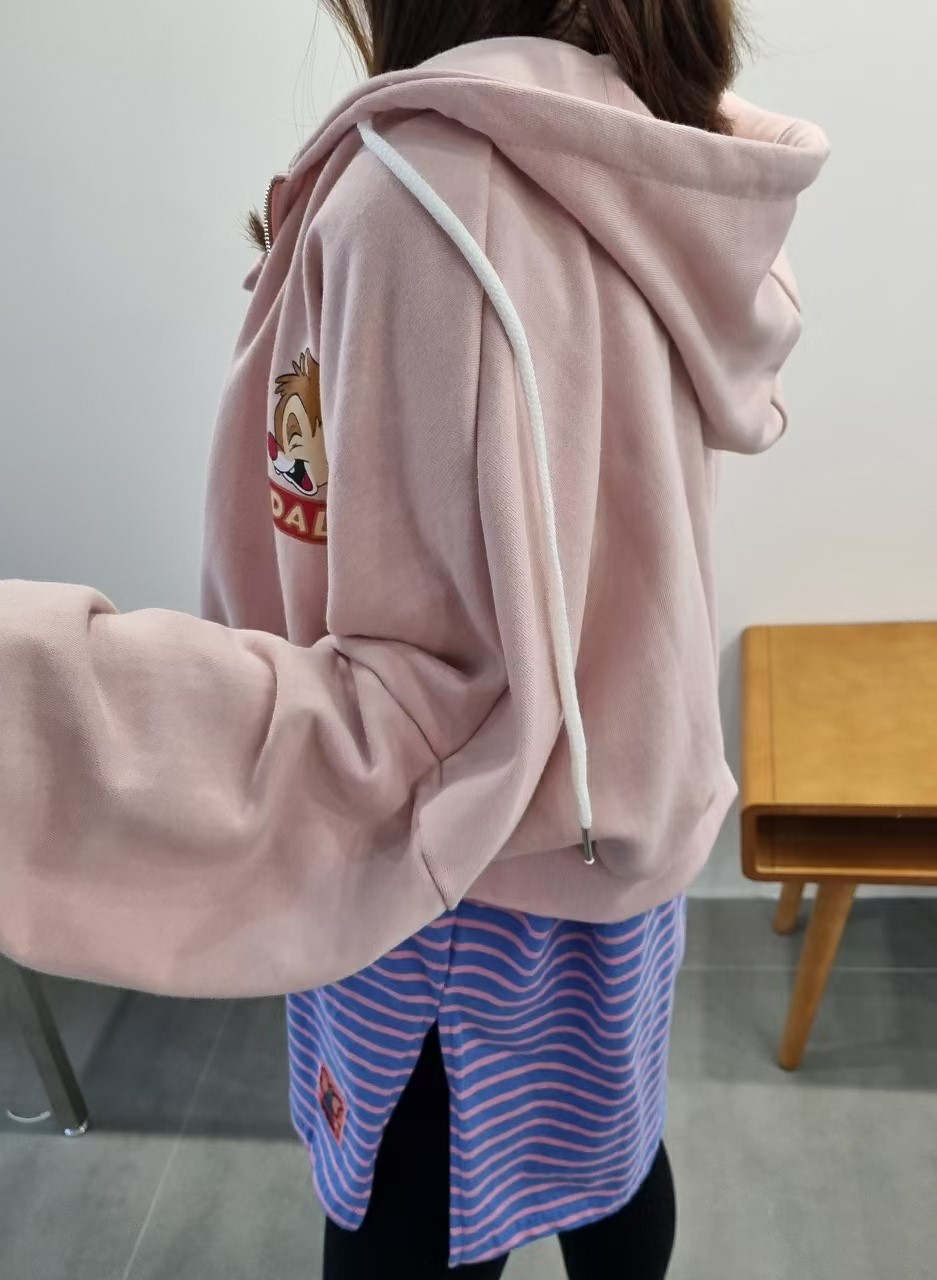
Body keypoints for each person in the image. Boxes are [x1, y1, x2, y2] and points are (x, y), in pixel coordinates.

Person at [0, 2, 828, 1276]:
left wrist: (35, 699)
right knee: (608, 1158)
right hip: (616, 817)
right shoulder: (636, 140)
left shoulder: (431, 194)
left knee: (409, 1216)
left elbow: (426, 720)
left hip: (455, 875)